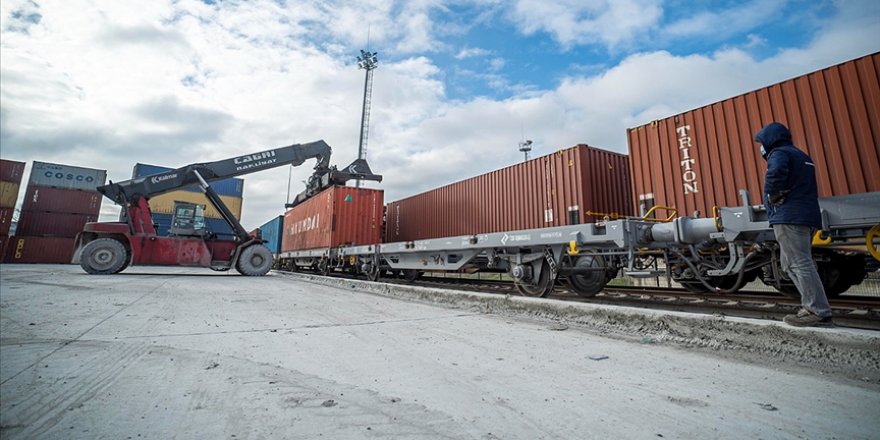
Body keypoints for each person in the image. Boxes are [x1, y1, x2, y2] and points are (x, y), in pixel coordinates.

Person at [755, 122, 833, 327]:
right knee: (789, 264)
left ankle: (817, 311)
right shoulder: (801, 156)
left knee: (799, 263)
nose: (761, 148)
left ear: (770, 140)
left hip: (789, 216)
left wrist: (773, 194)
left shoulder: (779, 153)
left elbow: (775, 173)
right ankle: (811, 307)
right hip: (805, 215)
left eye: (762, 143)